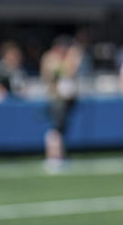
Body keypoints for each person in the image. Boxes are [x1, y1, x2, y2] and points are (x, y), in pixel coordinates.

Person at [40, 35, 84, 173]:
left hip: (67, 98)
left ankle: (60, 155)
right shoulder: (50, 58)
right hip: (56, 97)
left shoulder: (68, 58)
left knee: (62, 128)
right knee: (56, 128)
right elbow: (58, 73)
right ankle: (53, 157)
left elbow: (72, 72)